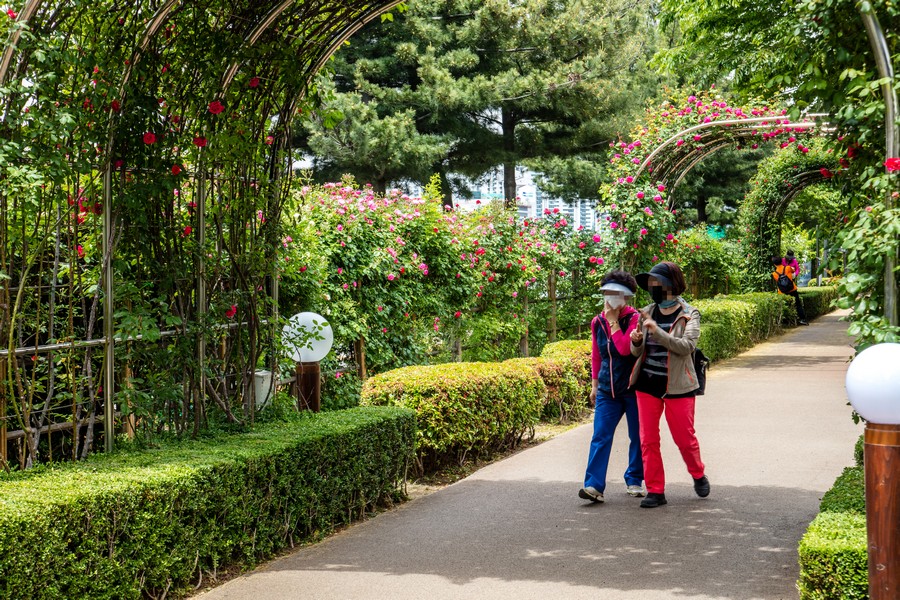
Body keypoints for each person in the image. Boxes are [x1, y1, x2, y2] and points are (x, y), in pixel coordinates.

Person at [628, 261, 709, 508]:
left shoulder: (689, 313)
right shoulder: (646, 312)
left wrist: (658, 332)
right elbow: (636, 352)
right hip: (647, 384)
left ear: (671, 285)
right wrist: (637, 340)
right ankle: (655, 491)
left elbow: (686, 347)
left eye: (658, 284)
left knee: (684, 438)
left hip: (678, 386)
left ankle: (697, 473)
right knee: (648, 440)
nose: (653, 289)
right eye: (651, 285)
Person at [579, 270, 644, 503]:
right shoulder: (597, 322)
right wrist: (594, 385)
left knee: (637, 435)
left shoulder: (635, 319)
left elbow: (626, 349)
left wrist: (614, 321)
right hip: (607, 389)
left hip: (633, 387)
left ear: (626, 296)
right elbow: (598, 356)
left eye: (616, 292)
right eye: (607, 292)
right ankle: (593, 485)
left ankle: (635, 479)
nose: (611, 296)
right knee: (600, 436)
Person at [772, 255, 808, 325]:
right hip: (792, 289)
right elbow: (793, 270)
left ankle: (784, 322)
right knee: (798, 304)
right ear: (781, 261)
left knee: (783, 306)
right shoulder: (788, 268)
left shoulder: (774, 274)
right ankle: (802, 319)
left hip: (782, 292)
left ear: (774, 264)